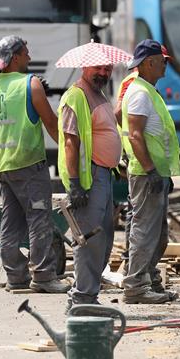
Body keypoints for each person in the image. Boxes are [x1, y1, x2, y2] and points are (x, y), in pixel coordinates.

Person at [0, 36, 70, 293]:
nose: (30, 57)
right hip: (30, 164)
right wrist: (69, 153)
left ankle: (16, 276)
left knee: (10, 222)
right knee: (39, 220)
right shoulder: (31, 85)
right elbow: (51, 123)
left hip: (3, 165)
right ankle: (44, 277)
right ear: (15, 57)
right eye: (26, 53)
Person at [121, 39, 180, 304]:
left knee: (158, 234)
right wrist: (151, 170)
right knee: (145, 231)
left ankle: (149, 279)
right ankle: (135, 285)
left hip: (155, 173)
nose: (166, 64)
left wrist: (162, 173)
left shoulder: (148, 90)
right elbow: (135, 136)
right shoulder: (139, 93)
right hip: (145, 174)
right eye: (162, 60)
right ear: (149, 62)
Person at [58, 56, 122, 308]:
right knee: (89, 240)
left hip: (104, 175)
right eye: (98, 68)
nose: (103, 73)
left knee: (103, 240)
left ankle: (87, 295)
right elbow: (70, 142)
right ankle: (82, 299)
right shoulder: (76, 96)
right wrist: (75, 183)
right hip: (88, 179)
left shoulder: (99, 95)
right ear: (85, 67)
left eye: (107, 68)